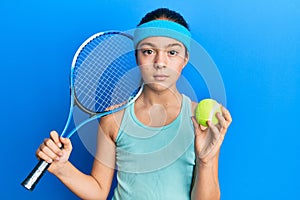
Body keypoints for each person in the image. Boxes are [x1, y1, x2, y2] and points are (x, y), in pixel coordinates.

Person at [36, 8, 232, 200]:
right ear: (137, 56)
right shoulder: (113, 119)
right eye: (148, 51)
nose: (160, 62)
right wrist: (62, 168)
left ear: (185, 58)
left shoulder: (202, 122)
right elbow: (98, 191)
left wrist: (206, 161)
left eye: (172, 52)